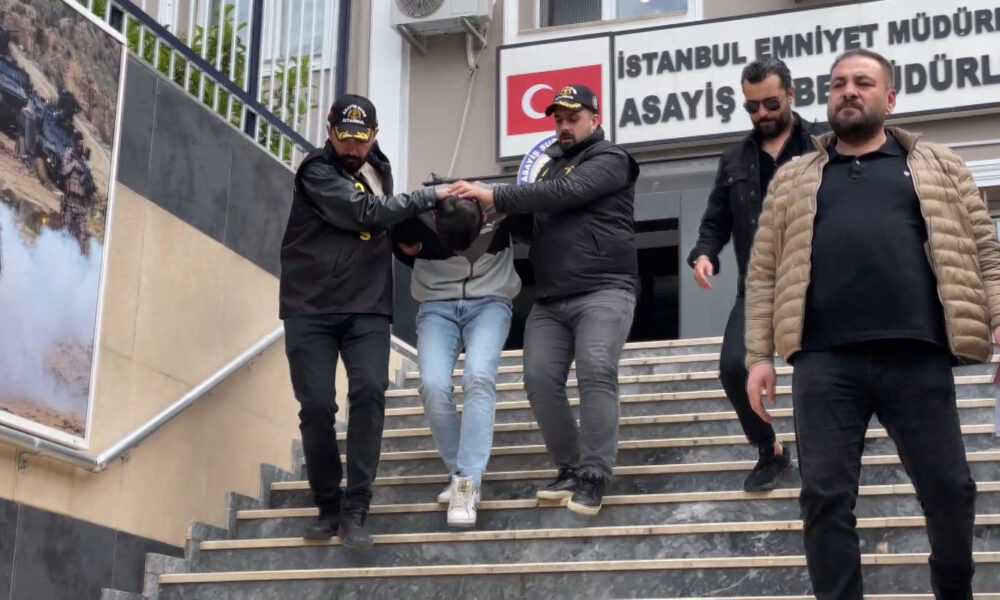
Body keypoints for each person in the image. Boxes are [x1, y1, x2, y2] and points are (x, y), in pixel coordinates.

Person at [744, 49, 1000, 599]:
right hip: (823, 360)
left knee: (950, 489)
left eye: (863, 82)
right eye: (839, 83)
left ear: (890, 98)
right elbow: (764, 270)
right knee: (824, 498)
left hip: (917, 352)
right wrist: (759, 356)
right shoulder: (793, 178)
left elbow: (983, 249)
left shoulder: (939, 164)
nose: (849, 91)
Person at [452, 84, 639, 516]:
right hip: (552, 296)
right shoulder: (547, 169)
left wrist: (495, 193)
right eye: (559, 119)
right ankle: (570, 468)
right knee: (538, 378)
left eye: (573, 118)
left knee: (595, 370)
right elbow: (532, 224)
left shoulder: (611, 158)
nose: (564, 126)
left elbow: (567, 193)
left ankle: (594, 475)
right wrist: (483, 216)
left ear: (595, 118)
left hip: (605, 289)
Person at [279, 94, 448, 548]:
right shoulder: (316, 170)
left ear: (374, 135)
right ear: (329, 132)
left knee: (371, 392)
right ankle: (327, 505)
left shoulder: (379, 167)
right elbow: (361, 212)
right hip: (310, 306)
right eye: (344, 138)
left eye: (360, 139)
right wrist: (428, 196)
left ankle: (356, 507)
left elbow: (376, 226)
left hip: (368, 305)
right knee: (317, 407)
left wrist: (406, 244)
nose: (352, 148)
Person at [687, 58, 827, 492]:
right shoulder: (734, 159)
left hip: (818, 281)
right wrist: (704, 254)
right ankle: (769, 449)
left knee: (818, 370)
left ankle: (824, 454)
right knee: (733, 365)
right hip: (757, 285)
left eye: (770, 103)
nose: (762, 113)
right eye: (752, 107)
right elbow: (716, 219)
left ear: (791, 94)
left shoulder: (823, 144)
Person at [392, 194, 521, 528]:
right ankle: (461, 475)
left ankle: (465, 485)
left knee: (478, 377)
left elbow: (539, 209)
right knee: (432, 385)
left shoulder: (500, 205)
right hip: (436, 304)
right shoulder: (418, 215)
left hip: (491, 301)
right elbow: (394, 235)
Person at [60, 131, 91, 256]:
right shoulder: (69, 154)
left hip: (81, 206)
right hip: (70, 203)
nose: (80, 146)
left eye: (81, 143)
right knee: (64, 233)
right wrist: (73, 164)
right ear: (75, 142)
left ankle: (80, 262)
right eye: (78, 143)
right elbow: (63, 171)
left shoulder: (84, 161)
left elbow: (88, 184)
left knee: (82, 238)